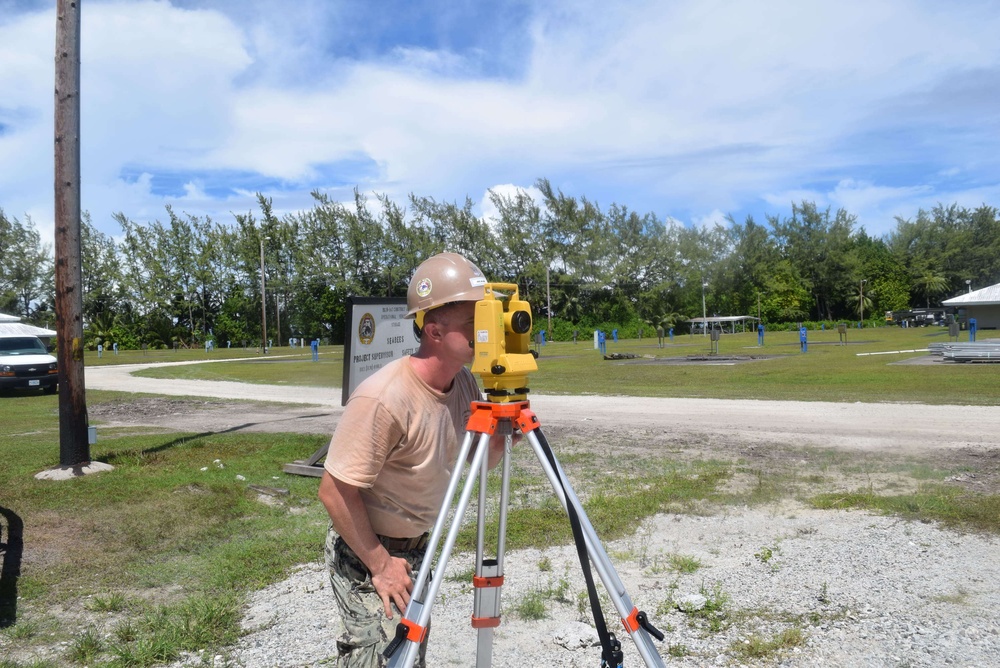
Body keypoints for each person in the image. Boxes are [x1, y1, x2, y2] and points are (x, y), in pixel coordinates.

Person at [319, 252, 507, 667]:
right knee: (384, 658)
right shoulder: (384, 397)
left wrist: (503, 421)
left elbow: (482, 463)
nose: (487, 331)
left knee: (411, 649)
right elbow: (333, 491)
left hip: (420, 545)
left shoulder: (465, 381)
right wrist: (381, 564)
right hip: (368, 550)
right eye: (474, 323)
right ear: (435, 330)